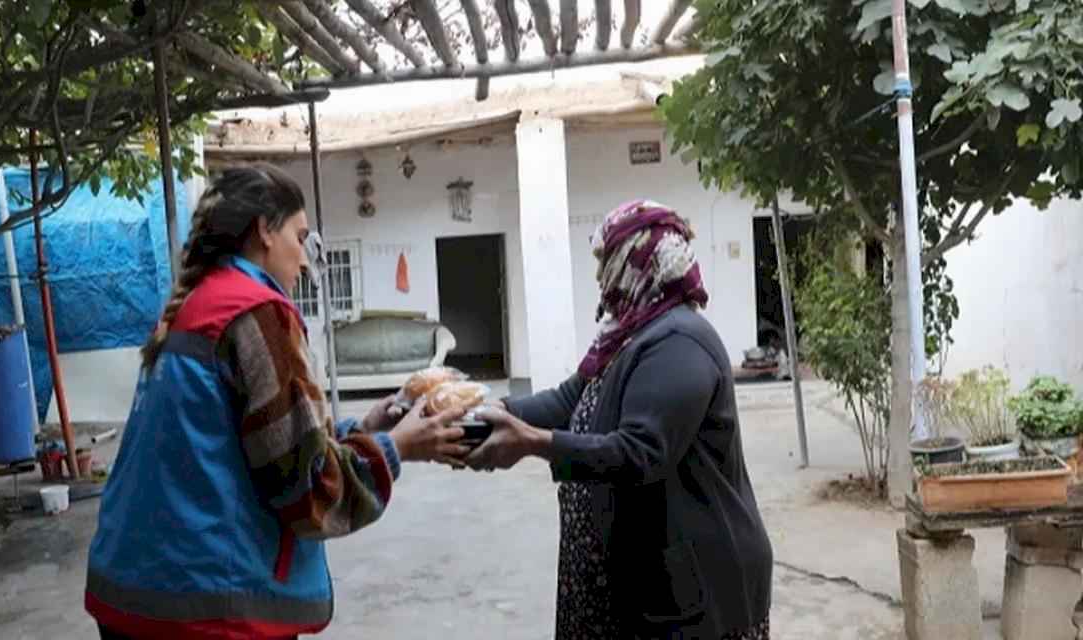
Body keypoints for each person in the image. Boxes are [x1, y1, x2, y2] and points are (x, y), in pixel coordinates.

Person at [85, 164, 469, 640]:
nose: (306, 261)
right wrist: (397, 447)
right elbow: (308, 492)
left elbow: (243, 447)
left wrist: (362, 429)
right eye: (300, 236)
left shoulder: (194, 306)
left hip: (132, 593)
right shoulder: (256, 312)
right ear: (265, 230)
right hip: (204, 611)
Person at [467, 200, 774, 640]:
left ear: (638, 264)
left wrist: (534, 442)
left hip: (695, 584)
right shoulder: (627, 335)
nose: (599, 277)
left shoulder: (680, 342)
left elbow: (640, 452)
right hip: (647, 572)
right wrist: (484, 413)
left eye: (606, 261)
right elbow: (572, 399)